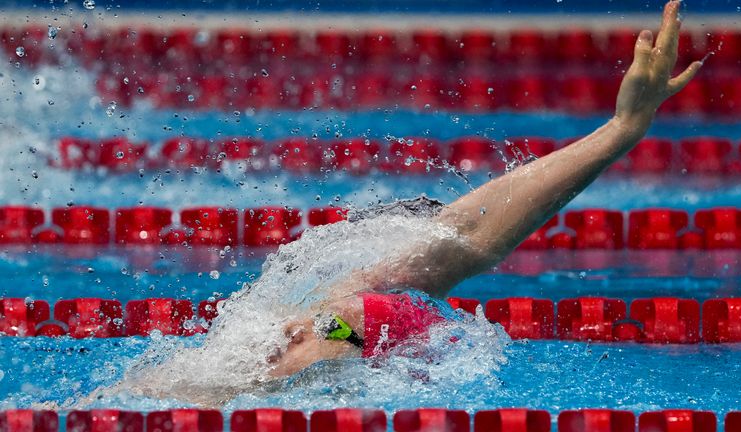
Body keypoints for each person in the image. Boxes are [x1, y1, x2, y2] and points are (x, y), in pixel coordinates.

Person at [264, 0, 703, 378]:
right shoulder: (325, 311)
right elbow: (460, 240)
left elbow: (461, 239)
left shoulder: (331, 314)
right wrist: (620, 131)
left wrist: (621, 130)